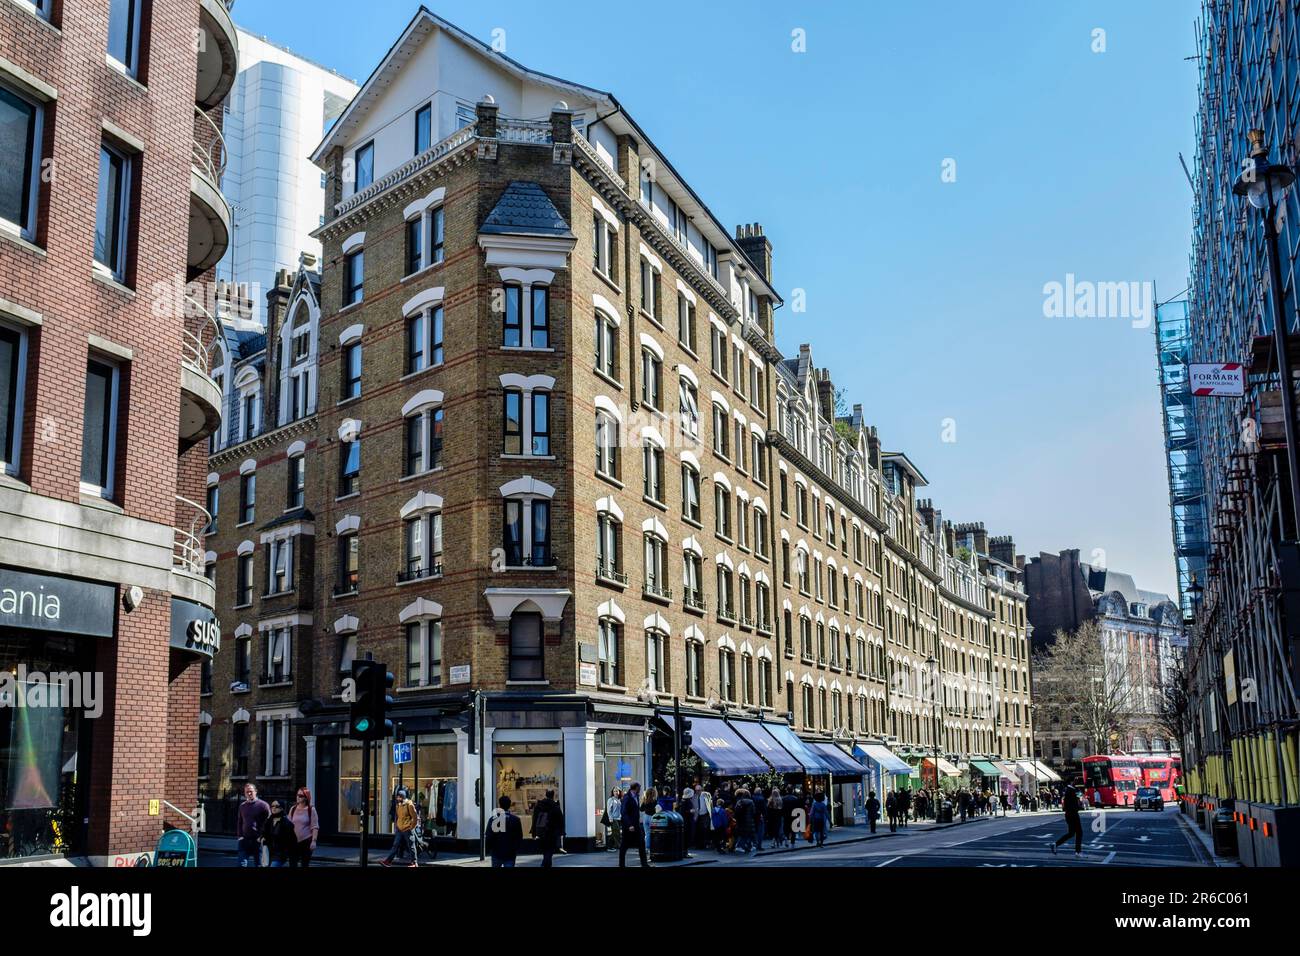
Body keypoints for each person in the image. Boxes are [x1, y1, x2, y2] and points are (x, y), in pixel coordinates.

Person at [235, 782, 270, 868]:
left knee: (259, 864)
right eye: (247, 792)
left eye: (251, 791)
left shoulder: (263, 805)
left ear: (256, 791)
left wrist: (262, 836)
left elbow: (269, 823)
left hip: (258, 840)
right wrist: (240, 836)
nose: (249, 793)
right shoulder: (242, 806)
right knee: (241, 864)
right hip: (244, 840)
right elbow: (240, 821)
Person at [382, 788, 418, 867]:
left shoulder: (410, 805)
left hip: (407, 828)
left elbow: (415, 818)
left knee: (411, 845)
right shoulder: (398, 805)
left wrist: (411, 827)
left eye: (399, 797)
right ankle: (388, 861)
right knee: (395, 845)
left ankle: (414, 863)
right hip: (399, 828)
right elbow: (398, 816)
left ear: (403, 797)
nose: (397, 798)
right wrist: (397, 826)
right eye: (397, 797)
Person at [619, 782, 650, 867]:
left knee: (641, 844)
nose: (640, 789)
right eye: (639, 787)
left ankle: (644, 864)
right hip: (629, 826)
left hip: (636, 825)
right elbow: (624, 812)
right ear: (635, 788)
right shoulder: (627, 797)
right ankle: (621, 865)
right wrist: (629, 825)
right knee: (624, 846)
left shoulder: (636, 796)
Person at [486, 795, 524, 867]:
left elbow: (489, 835)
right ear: (509, 805)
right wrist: (515, 848)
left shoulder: (493, 819)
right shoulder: (515, 820)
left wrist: (490, 848)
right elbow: (519, 836)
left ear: (500, 805)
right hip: (510, 853)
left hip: (496, 852)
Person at [287, 787, 319, 867]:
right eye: (297, 795)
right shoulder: (293, 809)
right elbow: (288, 824)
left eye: (300, 795)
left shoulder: (311, 810)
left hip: (306, 841)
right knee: (292, 864)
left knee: (304, 864)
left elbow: (314, 826)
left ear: (306, 797)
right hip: (293, 841)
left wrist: (314, 841)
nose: (298, 797)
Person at [531, 789, 564, 867]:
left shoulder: (539, 805)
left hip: (541, 831)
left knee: (545, 850)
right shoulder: (555, 806)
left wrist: (533, 832)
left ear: (546, 795)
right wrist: (561, 832)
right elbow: (560, 820)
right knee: (549, 851)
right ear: (553, 795)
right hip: (552, 832)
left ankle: (545, 864)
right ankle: (544, 864)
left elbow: (534, 818)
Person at [1051, 785, 1084, 857]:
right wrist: (1079, 806)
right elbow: (1076, 806)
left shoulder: (1067, 793)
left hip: (1068, 815)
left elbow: (1065, 806)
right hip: (1073, 815)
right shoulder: (1072, 792)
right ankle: (1078, 852)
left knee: (1071, 833)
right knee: (1079, 832)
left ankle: (1056, 844)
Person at [262, 800, 297, 867]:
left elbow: (293, 841)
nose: (274, 808)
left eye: (277, 806)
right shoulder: (268, 821)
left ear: (282, 808)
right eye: (272, 806)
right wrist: (262, 838)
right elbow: (264, 833)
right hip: (269, 852)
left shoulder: (286, 823)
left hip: (280, 853)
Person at [733, 788, 756, 854]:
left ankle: (743, 846)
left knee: (741, 834)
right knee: (747, 834)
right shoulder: (751, 802)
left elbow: (736, 812)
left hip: (740, 821)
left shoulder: (739, 802)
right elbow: (753, 812)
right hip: (749, 821)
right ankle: (740, 846)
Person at [695, 785, 713, 850]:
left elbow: (710, 804)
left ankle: (706, 844)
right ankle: (700, 844)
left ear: (701, 789)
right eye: (696, 790)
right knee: (699, 830)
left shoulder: (706, 795)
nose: (698, 792)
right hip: (698, 815)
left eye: (699, 790)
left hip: (705, 815)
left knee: (705, 829)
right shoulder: (695, 796)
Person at [640, 786, 658, 853]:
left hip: (645, 817)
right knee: (654, 834)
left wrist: (643, 801)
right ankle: (653, 847)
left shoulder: (645, 800)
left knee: (647, 834)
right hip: (652, 818)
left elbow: (641, 809)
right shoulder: (655, 801)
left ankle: (647, 848)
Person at [752, 785, 768, 850]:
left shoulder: (752, 798)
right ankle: (759, 845)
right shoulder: (762, 799)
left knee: (754, 831)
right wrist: (765, 816)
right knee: (760, 831)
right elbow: (764, 809)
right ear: (760, 792)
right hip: (760, 816)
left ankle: (754, 844)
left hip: (753, 816)